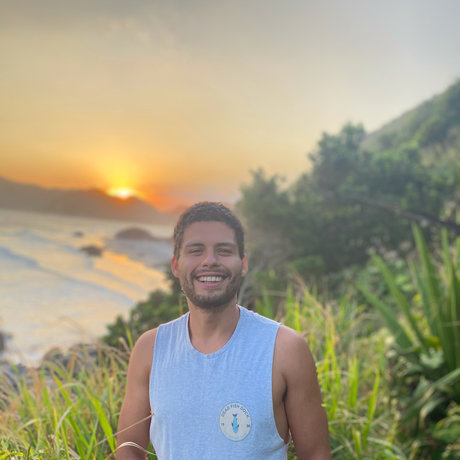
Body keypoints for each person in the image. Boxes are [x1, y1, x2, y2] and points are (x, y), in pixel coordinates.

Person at [116, 202, 331, 460]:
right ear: (176, 265)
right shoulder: (150, 349)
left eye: (224, 251)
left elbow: (316, 454)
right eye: (196, 251)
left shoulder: (284, 349)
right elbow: (128, 447)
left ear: (243, 263)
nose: (210, 261)